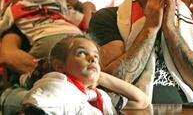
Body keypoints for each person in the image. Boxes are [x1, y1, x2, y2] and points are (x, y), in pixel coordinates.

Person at [0, 0, 95, 114]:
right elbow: (7, 55)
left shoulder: (88, 16)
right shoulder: (29, 8)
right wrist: (64, 72)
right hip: (32, 90)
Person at [21, 34, 149, 114]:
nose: (92, 59)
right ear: (59, 65)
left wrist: (99, 75)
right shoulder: (57, 86)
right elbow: (35, 107)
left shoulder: (98, 96)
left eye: (96, 57)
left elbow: (141, 101)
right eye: (81, 53)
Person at [0, 0, 93, 59]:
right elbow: (84, 23)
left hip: (47, 40)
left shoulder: (15, 8)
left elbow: (2, 25)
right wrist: (88, 8)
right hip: (76, 36)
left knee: (30, 68)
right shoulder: (60, 2)